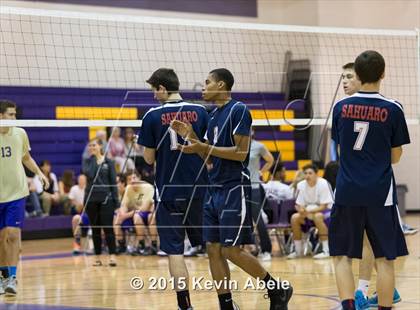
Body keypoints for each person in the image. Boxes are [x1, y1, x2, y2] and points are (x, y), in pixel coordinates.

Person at [172, 68, 293, 310]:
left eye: (207, 83)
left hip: (234, 187)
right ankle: (226, 305)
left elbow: (239, 154)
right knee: (213, 249)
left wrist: (201, 147)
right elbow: (209, 151)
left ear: (222, 85)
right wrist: (192, 139)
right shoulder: (213, 114)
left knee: (231, 250)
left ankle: (276, 289)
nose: (203, 87)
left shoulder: (239, 110)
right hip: (213, 187)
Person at [329, 51, 410, 310]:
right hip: (380, 193)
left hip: (347, 191)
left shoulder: (341, 108)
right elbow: (396, 156)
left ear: (358, 75)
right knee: (385, 258)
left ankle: (349, 305)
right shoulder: (393, 108)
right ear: (383, 74)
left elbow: (341, 152)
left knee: (341, 255)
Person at [138, 68, 209, 310]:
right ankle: (227, 300)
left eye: (153, 90)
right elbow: (209, 149)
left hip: (168, 192)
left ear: (162, 88)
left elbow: (148, 160)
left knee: (175, 252)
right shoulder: (201, 111)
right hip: (200, 190)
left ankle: (185, 305)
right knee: (215, 248)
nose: (153, 95)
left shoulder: (151, 116)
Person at [0, 99, 49, 295]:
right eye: (10, 114)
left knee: (12, 234)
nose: (14, 118)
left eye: (14, 114)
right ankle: (3, 276)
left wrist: (39, 173)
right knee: (1, 238)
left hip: (16, 193)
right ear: (0, 115)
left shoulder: (20, 133)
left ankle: (12, 277)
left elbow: (26, 157)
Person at [83, 138, 119, 267]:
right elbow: (91, 174)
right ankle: (97, 257)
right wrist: (96, 160)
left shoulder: (109, 162)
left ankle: (112, 256)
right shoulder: (87, 162)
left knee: (108, 227)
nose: (91, 147)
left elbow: (113, 183)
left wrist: (116, 202)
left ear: (100, 146)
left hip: (106, 199)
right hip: (91, 200)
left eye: (94, 145)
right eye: (90, 146)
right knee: (95, 229)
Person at [286, 164, 333, 259]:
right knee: (294, 217)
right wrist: (301, 210)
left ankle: (326, 250)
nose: (307, 175)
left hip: (326, 212)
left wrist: (309, 212)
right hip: (308, 212)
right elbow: (298, 204)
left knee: (318, 216)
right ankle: (298, 251)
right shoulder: (301, 185)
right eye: (306, 173)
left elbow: (324, 206)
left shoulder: (324, 183)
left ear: (316, 174)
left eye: (310, 173)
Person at [247, 129, 275, 261]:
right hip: (238, 187)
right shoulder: (234, 145)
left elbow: (270, 160)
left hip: (254, 187)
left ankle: (266, 250)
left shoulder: (258, 146)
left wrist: (260, 172)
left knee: (257, 219)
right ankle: (239, 250)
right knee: (237, 219)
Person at [114, 170, 156, 255]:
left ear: (139, 178)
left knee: (138, 216)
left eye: (134, 178)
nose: (132, 181)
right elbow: (124, 205)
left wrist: (126, 215)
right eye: (129, 179)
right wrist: (122, 213)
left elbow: (145, 208)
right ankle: (121, 246)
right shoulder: (129, 188)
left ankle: (149, 246)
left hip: (148, 213)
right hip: (135, 213)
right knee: (117, 216)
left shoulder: (148, 187)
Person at [69, 174, 87, 254]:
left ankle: (102, 243)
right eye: (80, 179)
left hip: (89, 212)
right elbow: (71, 201)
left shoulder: (88, 189)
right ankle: (77, 243)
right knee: (75, 218)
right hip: (78, 212)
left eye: (83, 179)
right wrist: (79, 205)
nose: (81, 181)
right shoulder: (74, 188)